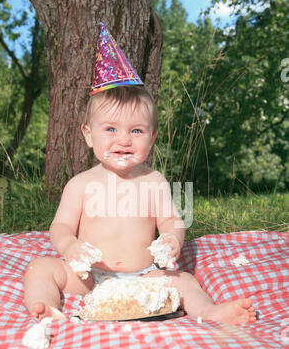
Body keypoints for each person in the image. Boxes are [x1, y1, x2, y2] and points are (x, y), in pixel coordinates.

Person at [24, 84, 256, 325]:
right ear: (89, 134)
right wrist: (69, 244)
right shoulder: (80, 184)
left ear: (152, 137)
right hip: (88, 276)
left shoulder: (154, 181)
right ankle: (45, 307)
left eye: (136, 131)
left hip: (144, 276)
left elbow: (171, 220)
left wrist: (172, 238)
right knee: (40, 268)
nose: (123, 139)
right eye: (111, 129)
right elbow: (61, 225)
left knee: (184, 280)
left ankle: (209, 312)